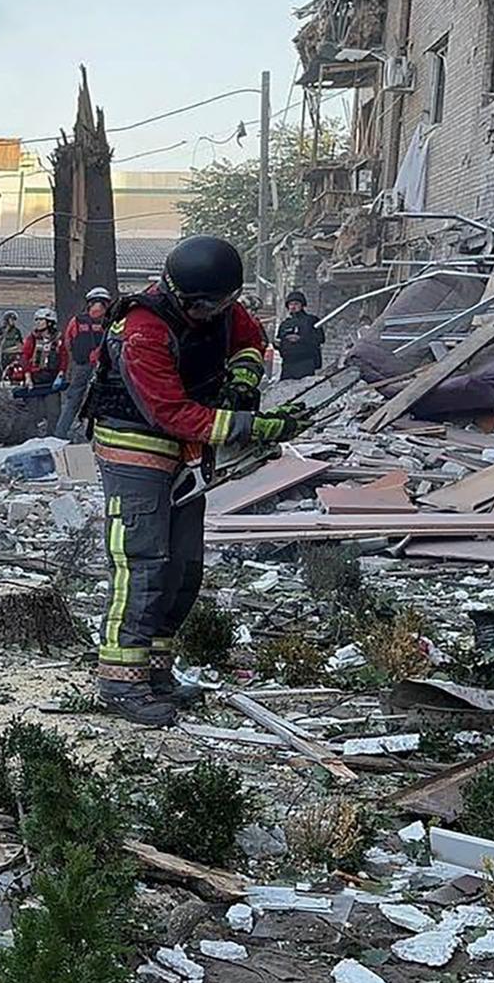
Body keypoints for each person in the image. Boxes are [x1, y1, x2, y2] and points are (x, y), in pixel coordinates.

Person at [86, 235, 306, 726]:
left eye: (216, 304)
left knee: (183, 565)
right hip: (134, 445)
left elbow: (250, 341)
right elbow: (171, 413)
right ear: (180, 294)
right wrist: (253, 427)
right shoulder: (141, 329)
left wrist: (243, 380)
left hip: (185, 448)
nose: (207, 312)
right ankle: (120, 680)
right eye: (199, 305)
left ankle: (155, 669)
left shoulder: (227, 310)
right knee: (142, 562)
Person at [54, 287, 112, 439]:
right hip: (105, 368)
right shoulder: (111, 322)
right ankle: (97, 437)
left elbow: (68, 343)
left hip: (81, 365)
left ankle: (60, 434)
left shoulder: (77, 321)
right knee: (103, 401)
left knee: (73, 400)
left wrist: (75, 362)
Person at [15, 306, 64, 431]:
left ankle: (52, 436)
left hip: (52, 380)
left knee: (54, 412)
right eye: (36, 320)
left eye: (40, 320)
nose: (37, 323)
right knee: (34, 412)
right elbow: (25, 358)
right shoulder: (32, 339)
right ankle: (32, 437)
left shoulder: (58, 339)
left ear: (49, 322)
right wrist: (27, 377)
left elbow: (64, 357)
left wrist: (61, 374)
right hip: (35, 379)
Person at [276, 290, 325, 380]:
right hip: (288, 364)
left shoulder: (311, 321)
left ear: (302, 305)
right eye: (291, 304)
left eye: (296, 304)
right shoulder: (285, 324)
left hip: (305, 363)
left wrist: (301, 339)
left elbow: (320, 339)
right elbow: (279, 341)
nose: (293, 307)